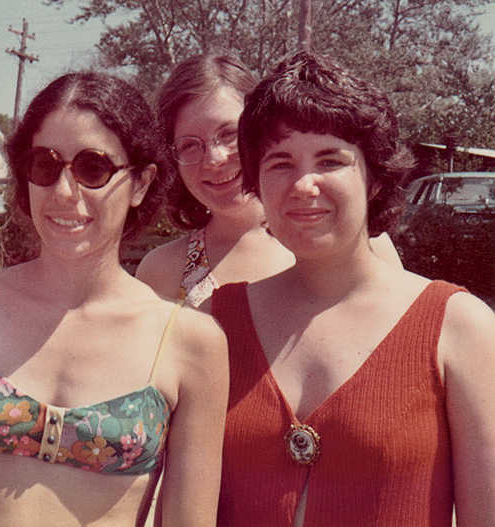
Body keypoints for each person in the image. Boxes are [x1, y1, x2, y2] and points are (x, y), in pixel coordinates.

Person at [0, 72, 228, 527]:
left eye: (93, 168)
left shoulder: (190, 343)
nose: (64, 192)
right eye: (45, 164)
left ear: (140, 183)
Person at [211, 51, 495, 526]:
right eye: (280, 162)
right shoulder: (213, 324)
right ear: (256, 182)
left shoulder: (460, 328)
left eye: (330, 159)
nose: (304, 184)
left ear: (374, 178)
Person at [136, 53, 401, 308]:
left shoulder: (357, 240)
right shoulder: (164, 270)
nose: (214, 159)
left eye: (229, 134)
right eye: (190, 145)